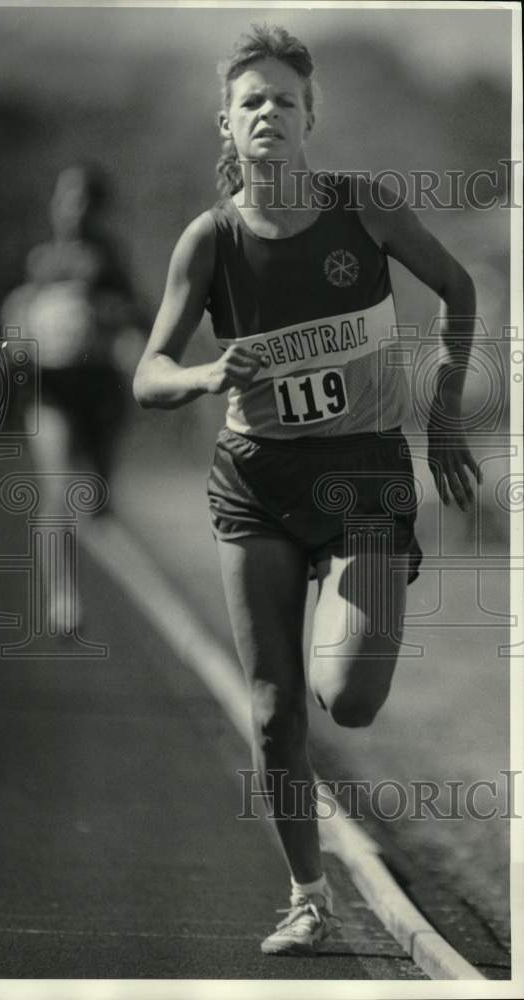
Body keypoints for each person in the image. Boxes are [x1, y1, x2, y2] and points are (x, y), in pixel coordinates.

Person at [133, 25, 481, 956]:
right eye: (251, 101)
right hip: (255, 480)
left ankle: (348, 619)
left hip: (363, 475)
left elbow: (456, 291)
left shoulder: (363, 210)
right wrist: (204, 377)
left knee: (349, 698)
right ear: (227, 123)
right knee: (272, 706)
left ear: (309, 119)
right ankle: (308, 895)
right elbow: (148, 372)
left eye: (284, 100)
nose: (268, 114)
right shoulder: (208, 241)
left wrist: (442, 415)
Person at [1, 162, 146, 628]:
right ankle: (63, 597)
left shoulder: (110, 259)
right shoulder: (35, 255)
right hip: (51, 387)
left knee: (99, 502)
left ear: (97, 209)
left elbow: (137, 317)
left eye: (83, 199)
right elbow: (12, 313)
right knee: (58, 489)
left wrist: (105, 321)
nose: (72, 208)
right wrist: (19, 337)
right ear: (54, 202)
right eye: (66, 197)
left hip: (97, 387)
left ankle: (101, 517)